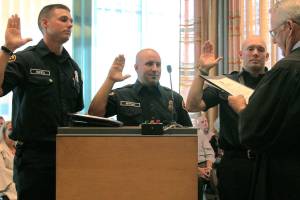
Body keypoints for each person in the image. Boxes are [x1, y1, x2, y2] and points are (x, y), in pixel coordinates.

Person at [0, 4, 84, 200]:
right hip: (34, 157)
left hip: (68, 154)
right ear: (45, 23)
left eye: (71, 21)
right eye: (64, 19)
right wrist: (7, 49)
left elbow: (76, 113)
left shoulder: (73, 68)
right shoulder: (24, 59)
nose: (70, 24)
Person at [228, 1, 300, 199]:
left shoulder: (286, 69)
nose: (276, 41)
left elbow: (254, 131)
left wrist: (242, 109)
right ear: (240, 54)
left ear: (290, 28)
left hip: (286, 177)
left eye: (275, 33)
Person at [186, 37, 269, 200]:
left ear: (266, 56)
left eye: (260, 49)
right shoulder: (227, 82)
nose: (255, 53)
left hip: (267, 163)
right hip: (234, 163)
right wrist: (202, 71)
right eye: (250, 49)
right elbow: (192, 105)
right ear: (240, 54)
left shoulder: (275, 81)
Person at [88, 49, 192, 127]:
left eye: (158, 65)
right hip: (131, 153)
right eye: (149, 64)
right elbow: (94, 114)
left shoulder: (174, 98)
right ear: (136, 67)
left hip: (166, 153)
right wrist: (110, 80)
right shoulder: (122, 95)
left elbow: (189, 134)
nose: (155, 69)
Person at [196, 114, 216, 200]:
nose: (205, 123)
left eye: (206, 121)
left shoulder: (200, 133)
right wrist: (197, 169)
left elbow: (210, 152)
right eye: (202, 122)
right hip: (193, 165)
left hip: (204, 163)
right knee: (198, 179)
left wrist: (209, 167)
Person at [0, 121, 17, 200]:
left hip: (20, 180)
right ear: (3, 133)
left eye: (14, 130)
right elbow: (2, 171)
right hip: (8, 184)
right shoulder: (1, 149)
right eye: (10, 129)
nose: (13, 132)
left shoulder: (19, 149)